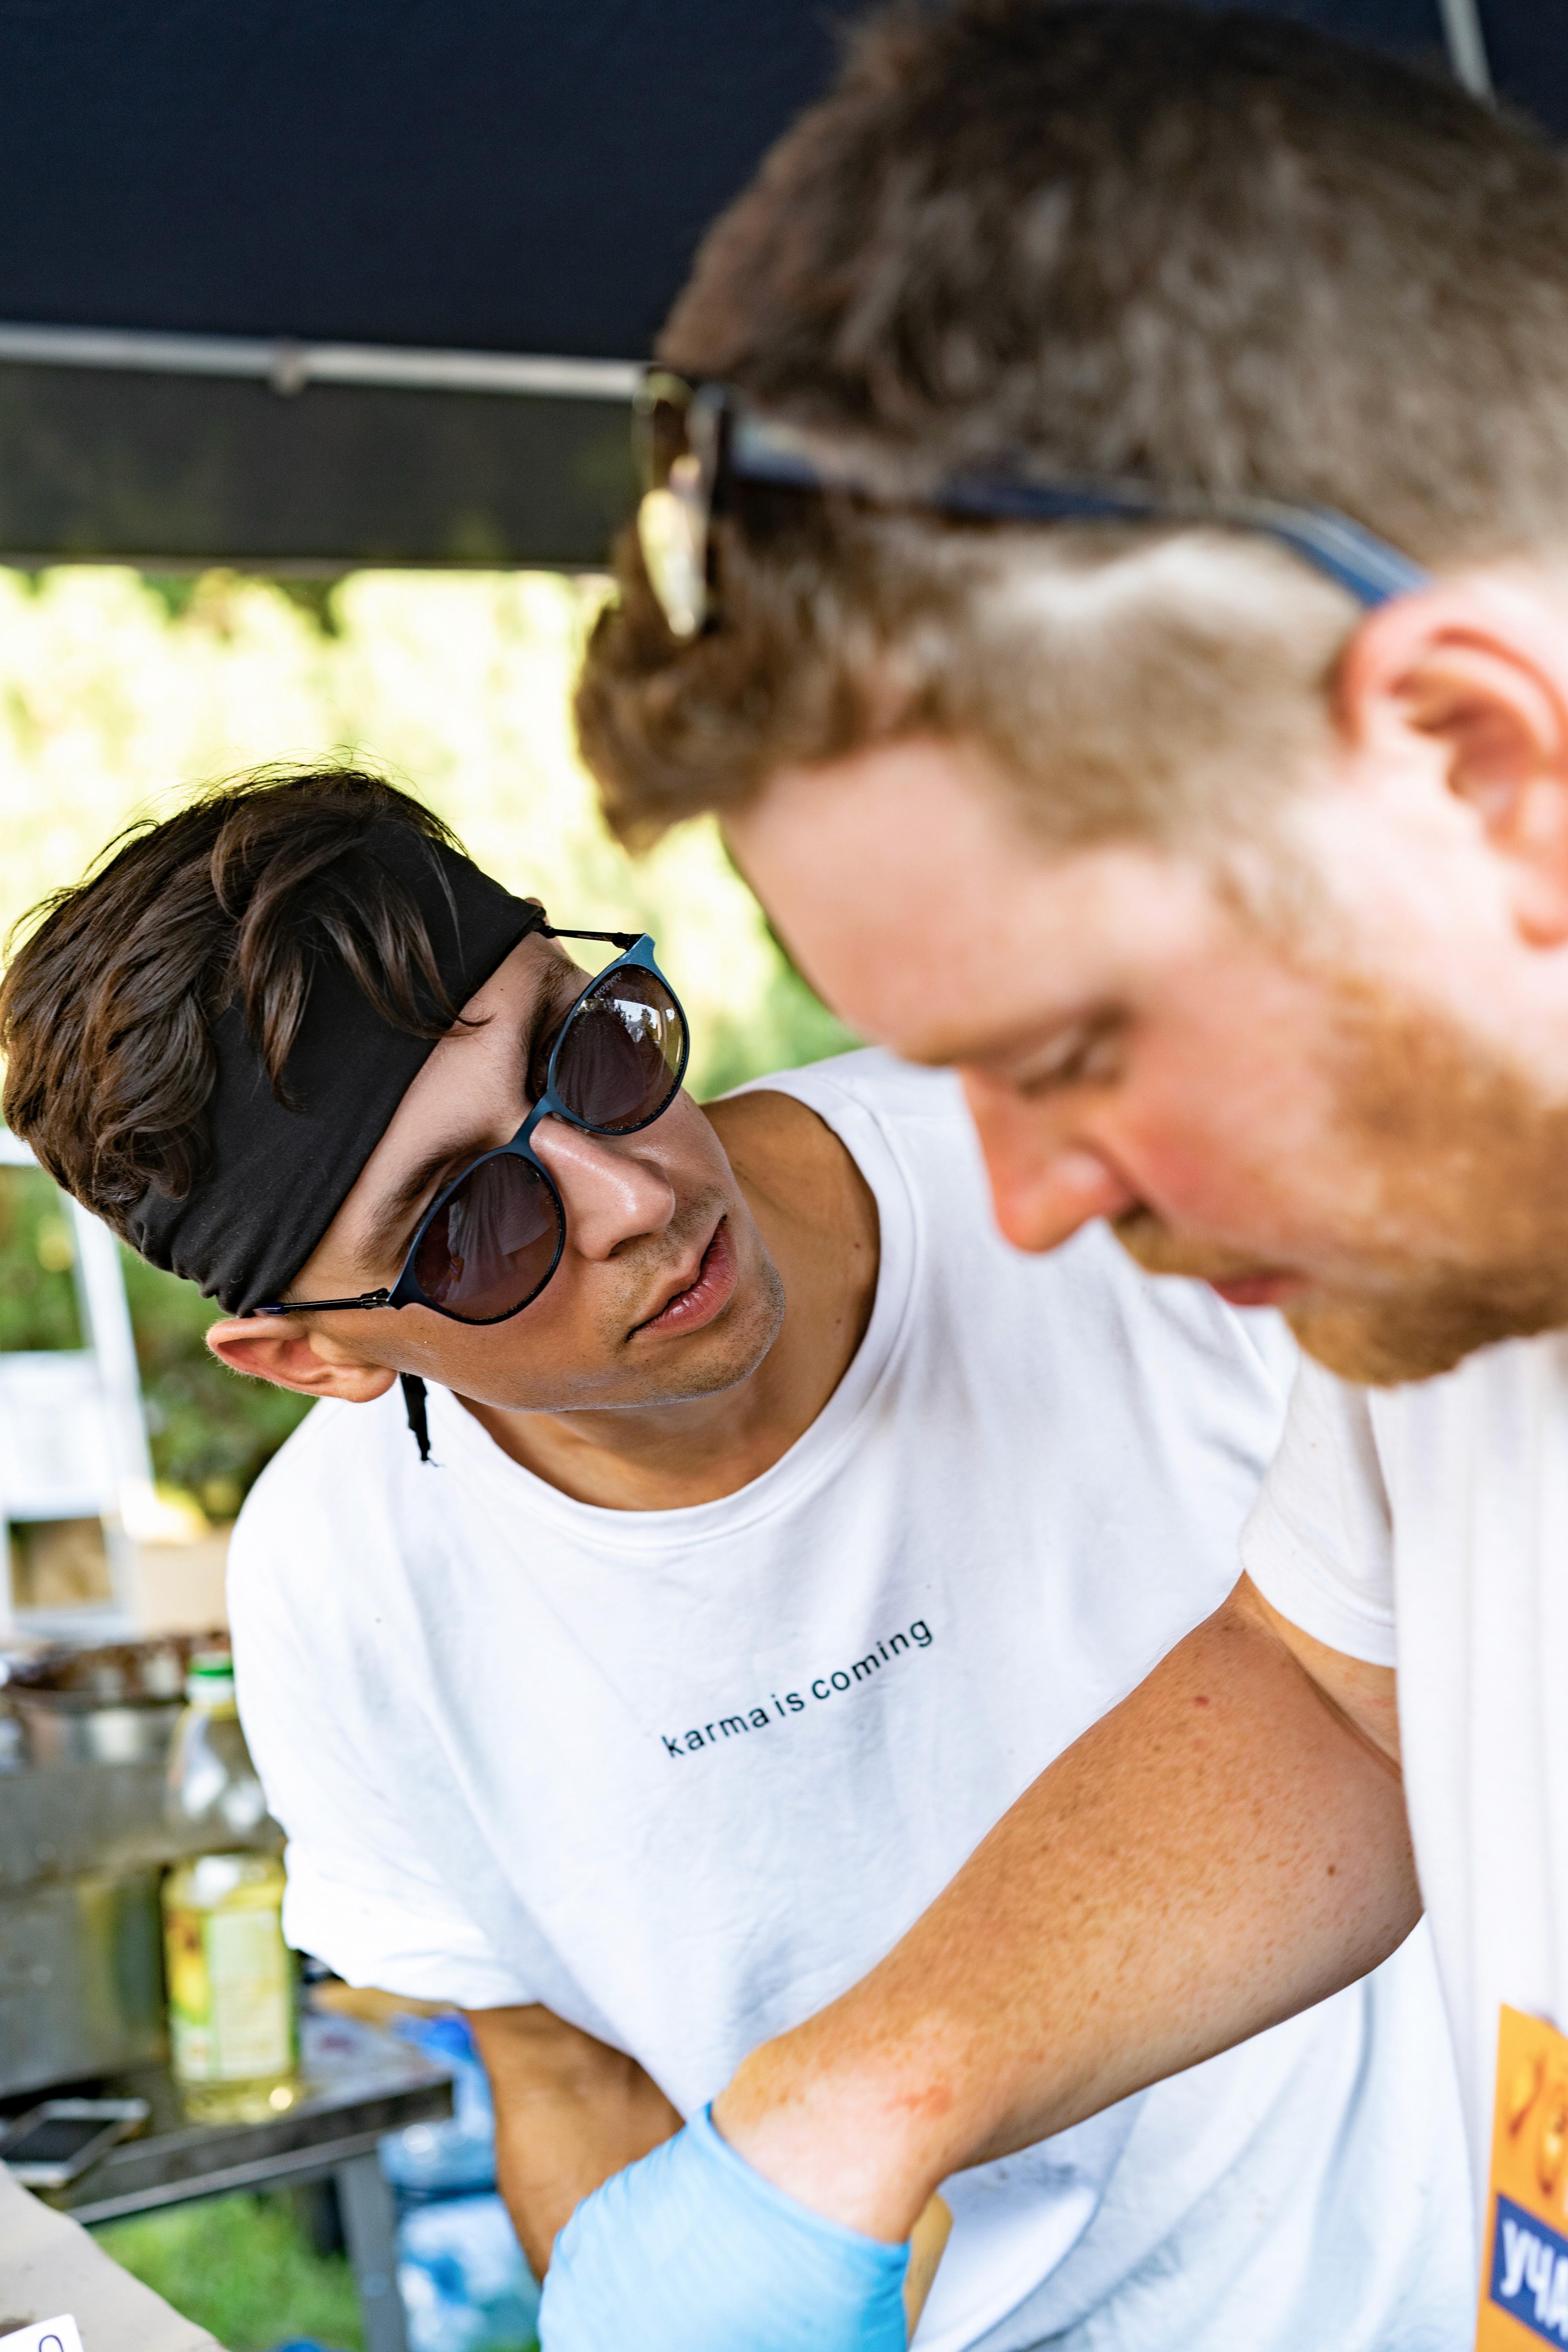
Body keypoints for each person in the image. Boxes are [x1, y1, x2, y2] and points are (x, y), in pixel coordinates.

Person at [544, 3, 1568, 2344]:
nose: (1017, 1204)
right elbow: (1346, 1687)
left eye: (1073, 1047)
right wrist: (859, 2104)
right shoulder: (1442, 1216)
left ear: (1477, 762)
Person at [0, 768, 1470, 2350]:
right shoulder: (342, 1589)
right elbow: (573, 2083)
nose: (637, 1196)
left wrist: (860, 2103)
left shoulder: (1099, 1173)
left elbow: (1388, 1692)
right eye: (478, 1227)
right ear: (315, 1356)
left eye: (596, 1050)